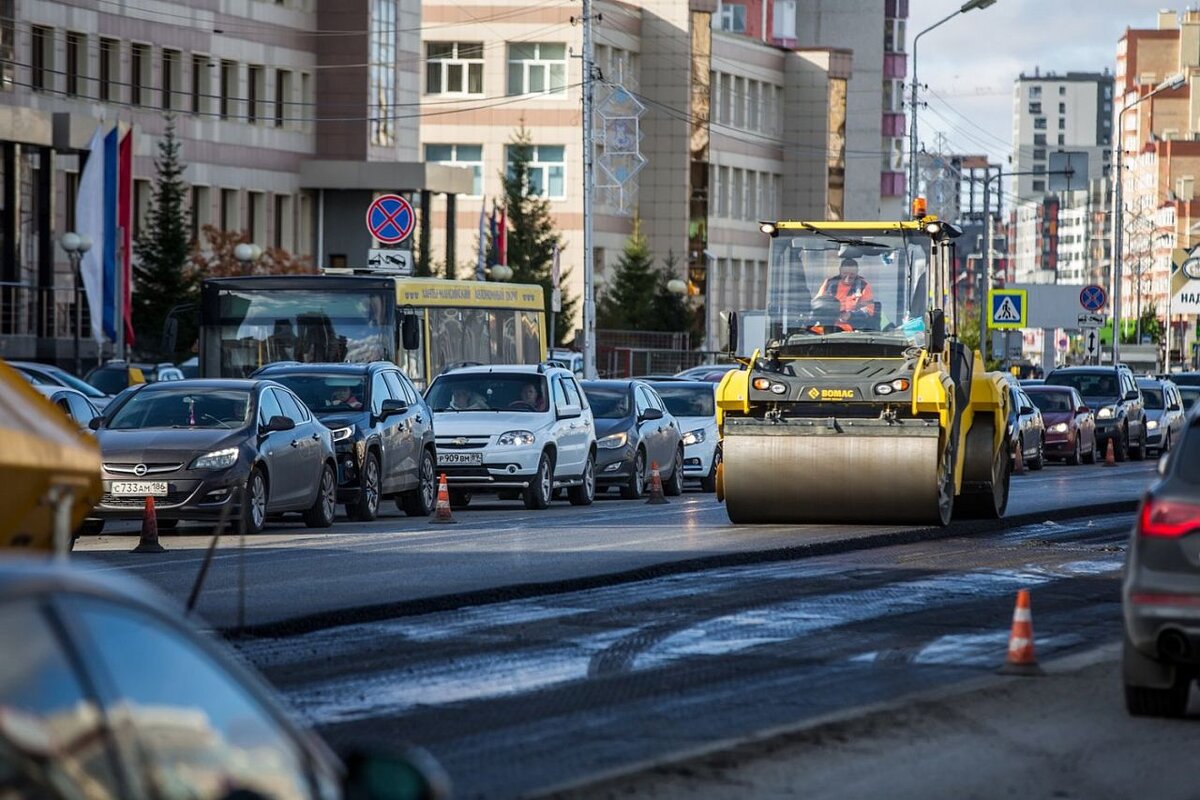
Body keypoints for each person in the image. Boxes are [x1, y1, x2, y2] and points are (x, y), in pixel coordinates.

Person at [815, 258, 875, 325]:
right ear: (840, 270)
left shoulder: (864, 286)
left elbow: (869, 310)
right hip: (829, 325)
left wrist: (851, 315)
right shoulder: (829, 283)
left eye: (852, 275)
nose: (847, 278)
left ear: (857, 272)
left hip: (853, 328)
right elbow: (817, 304)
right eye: (845, 274)